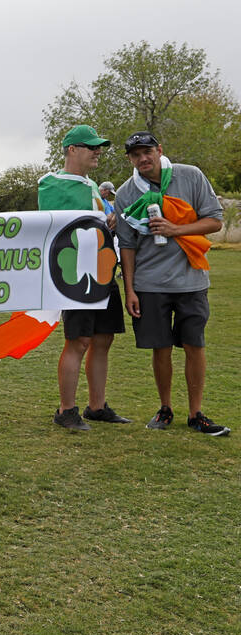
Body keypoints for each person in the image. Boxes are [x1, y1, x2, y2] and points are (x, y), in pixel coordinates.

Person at [115, 131, 229, 436]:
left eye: (147, 151)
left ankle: (196, 413)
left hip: (191, 279)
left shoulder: (190, 176)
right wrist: (130, 289)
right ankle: (165, 409)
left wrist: (175, 229)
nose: (143, 158)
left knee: (195, 345)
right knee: (161, 348)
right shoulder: (127, 193)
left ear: (159, 150)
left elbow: (214, 221)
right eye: (136, 154)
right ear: (130, 159)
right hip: (150, 283)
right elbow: (126, 245)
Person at [39, 124, 129, 430]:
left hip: (104, 268)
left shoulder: (91, 185)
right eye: (91, 147)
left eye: (99, 146)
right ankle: (66, 410)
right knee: (79, 341)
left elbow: (94, 223)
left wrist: (110, 222)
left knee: (103, 338)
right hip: (77, 274)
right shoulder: (53, 184)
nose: (98, 151)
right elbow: (53, 226)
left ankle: (97, 406)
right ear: (71, 150)